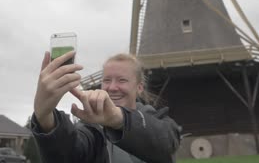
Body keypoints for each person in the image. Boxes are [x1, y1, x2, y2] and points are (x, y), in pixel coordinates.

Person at [31, 51, 181, 163]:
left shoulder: (157, 121)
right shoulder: (92, 126)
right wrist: (45, 118)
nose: (112, 87)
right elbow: (70, 154)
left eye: (122, 80)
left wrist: (118, 119)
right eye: (107, 80)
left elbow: (167, 142)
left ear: (139, 88)